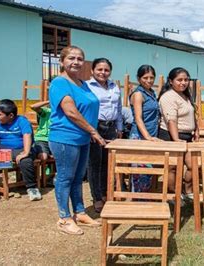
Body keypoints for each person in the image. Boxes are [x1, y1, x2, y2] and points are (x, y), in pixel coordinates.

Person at [49, 46, 105, 235]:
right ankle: (64, 218)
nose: (76, 62)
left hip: (82, 138)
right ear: (62, 61)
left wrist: (89, 132)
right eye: (71, 58)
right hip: (66, 138)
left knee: (78, 178)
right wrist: (93, 131)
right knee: (65, 177)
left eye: (80, 59)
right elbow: (71, 111)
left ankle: (79, 212)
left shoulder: (82, 83)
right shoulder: (59, 83)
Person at [0, 99, 41, 201]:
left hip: (21, 149)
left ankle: (32, 188)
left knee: (25, 160)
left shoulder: (22, 121)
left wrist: (25, 152)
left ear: (11, 115)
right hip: (3, 150)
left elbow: (27, 136)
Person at [86, 58, 123, 213]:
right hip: (95, 126)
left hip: (111, 127)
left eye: (106, 70)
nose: (103, 73)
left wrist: (119, 128)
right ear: (92, 71)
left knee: (108, 163)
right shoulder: (86, 86)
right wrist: (89, 130)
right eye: (99, 69)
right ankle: (96, 197)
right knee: (94, 163)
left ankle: (105, 193)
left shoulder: (114, 86)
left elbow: (119, 108)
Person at [158, 67, 199, 195]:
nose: (183, 83)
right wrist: (176, 139)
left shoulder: (185, 95)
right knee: (173, 168)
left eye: (186, 80)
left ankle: (187, 191)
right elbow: (171, 120)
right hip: (171, 136)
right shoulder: (168, 97)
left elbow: (191, 114)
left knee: (193, 166)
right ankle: (173, 195)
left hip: (186, 136)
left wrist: (196, 129)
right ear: (171, 81)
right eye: (179, 80)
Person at [128, 65, 161, 192]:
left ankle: (146, 200)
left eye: (151, 77)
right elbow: (138, 118)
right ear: (138, 78)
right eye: (145, 77)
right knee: (139, 172)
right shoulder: (138, 94)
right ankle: (138, 202)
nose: (149, 80)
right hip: (140, 136)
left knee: (148, 171)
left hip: (151, 135)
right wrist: (147, 137)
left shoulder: (151, 92)